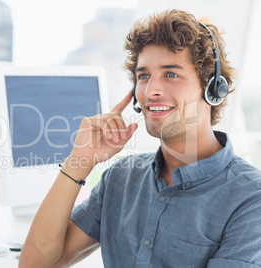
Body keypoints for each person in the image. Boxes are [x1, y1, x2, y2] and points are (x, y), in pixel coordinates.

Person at [18, 9, 261, 267]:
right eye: (143, 76)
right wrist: (79, 160)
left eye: (171, 74)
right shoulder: (121, 178)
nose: (151, 90)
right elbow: (35, 264)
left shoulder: (250, 198)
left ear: (212, 88)